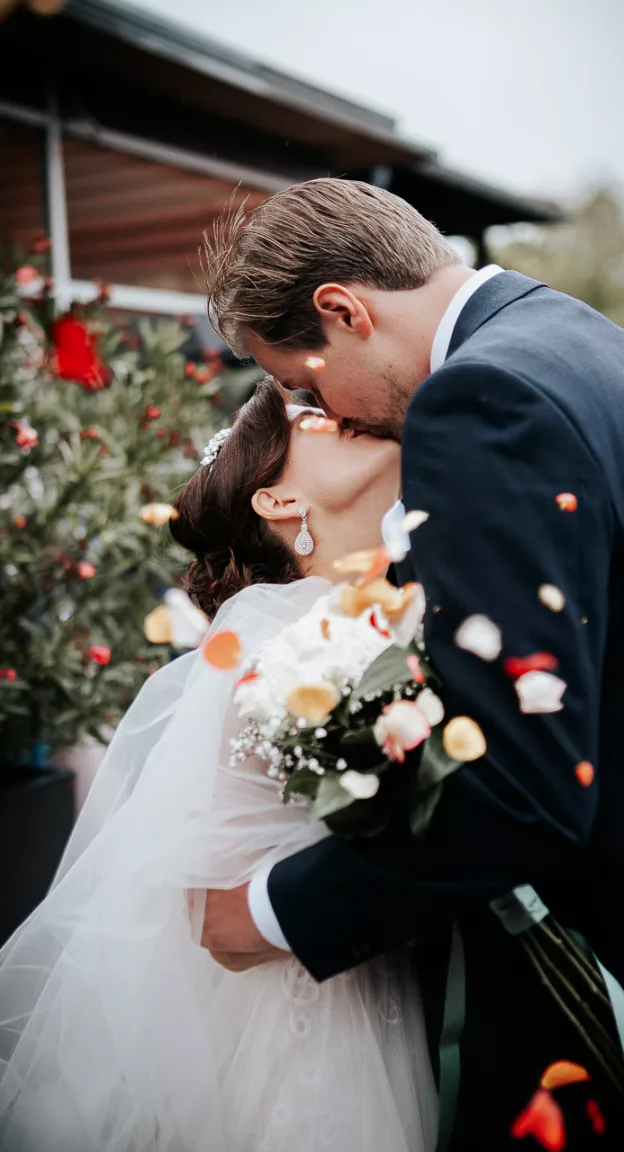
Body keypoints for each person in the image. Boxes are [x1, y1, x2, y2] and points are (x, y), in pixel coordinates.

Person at [199, 178, 624, 1151]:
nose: (326, 410)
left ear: (343, 310)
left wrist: (268, 913)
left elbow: (521, 791)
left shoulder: (482, 397)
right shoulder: (601, 346)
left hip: (598, 989)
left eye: (303, 382)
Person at [0, 381, 437, 1152]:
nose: (346, 417)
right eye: (317, 418)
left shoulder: (405, 610)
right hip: (310, 1035)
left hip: (396, 993)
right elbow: (217, 916)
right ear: (277, 502)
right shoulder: (276, 649)